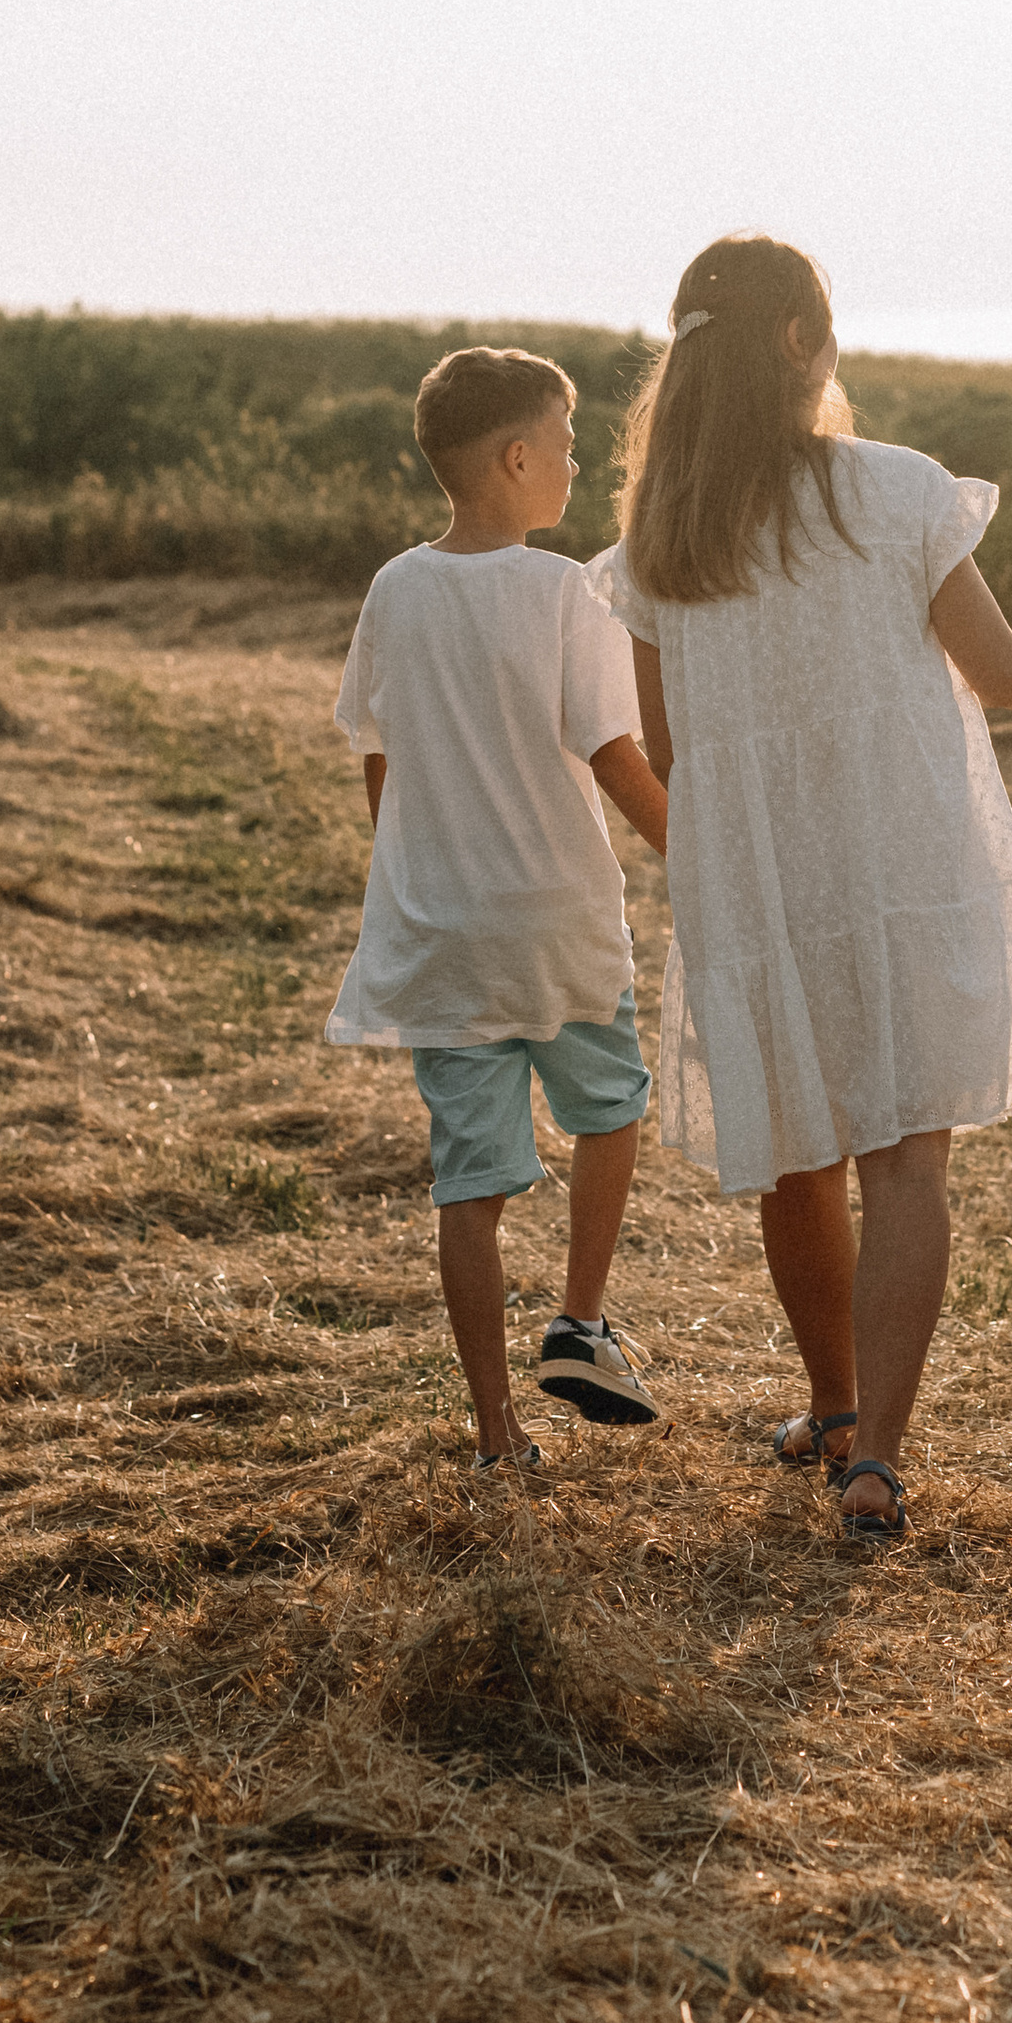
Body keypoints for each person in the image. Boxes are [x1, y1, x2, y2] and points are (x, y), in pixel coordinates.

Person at [601, 233, 1012, 1543]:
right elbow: (1001, 671)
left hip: (759, 883)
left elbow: (667, 750)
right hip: (898, 860)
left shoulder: (662, 533)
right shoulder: (896, 491)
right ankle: (875, 1455)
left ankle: (833, 1407)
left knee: (797, 1159)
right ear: (800, 345)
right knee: (906, 1166)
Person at [324, 346, 672, 1472]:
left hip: (443, 936)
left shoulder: (394, 588)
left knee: (469, 1186)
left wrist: (415, 870)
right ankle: (579, 1319)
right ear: (517, 458)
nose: (575, 465)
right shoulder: (565, 592)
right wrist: (698, 857)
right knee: (610, 1109)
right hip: (558, 922)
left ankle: (495, 1432)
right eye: (567, 447)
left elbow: (377, 757)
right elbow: (615, 758)